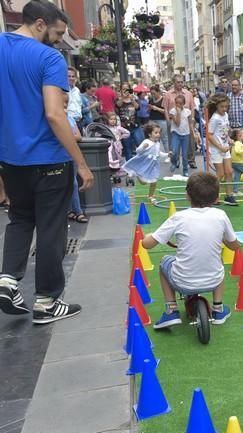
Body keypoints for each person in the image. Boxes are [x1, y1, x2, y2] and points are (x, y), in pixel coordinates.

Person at [0, 0, 93, 323]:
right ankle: (46, 302)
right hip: (48, 158)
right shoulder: (48, 58)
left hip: (11, 158)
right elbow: (55, 114)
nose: (57, 40)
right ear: (40, 24)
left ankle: (8, 280)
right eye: (56, 33)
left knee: (20, 218)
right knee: (52, 228)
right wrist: (80, 162)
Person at [142, 172, 240, 328]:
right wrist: (220, 237)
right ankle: (218, 308)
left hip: (182, 281)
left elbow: (147, 245)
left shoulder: (179, 217)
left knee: (164, 262)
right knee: (218, 260)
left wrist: (147, 236)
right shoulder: (221, 215)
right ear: (216, 198)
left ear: (187, 195)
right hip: (213, 281)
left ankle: (171, 310)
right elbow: (235, 246)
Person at [206, 93, 238, 206]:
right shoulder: (214, 118)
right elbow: (209, 135)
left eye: (226, 106)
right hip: (216, 149)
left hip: (225, 147)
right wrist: (220, 147)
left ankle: (229, 195)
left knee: (229, 171)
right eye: (222, 106)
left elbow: (224, 131)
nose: (224, 109)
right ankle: (212, 196)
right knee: (220, 173)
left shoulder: (225, 115)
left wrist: (229, 139)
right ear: (217, 106)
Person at [123, 122, 164, 203]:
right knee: (143, 183)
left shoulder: (158, 143)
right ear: (149, 134)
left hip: (153, 165)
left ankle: (151, 196)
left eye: (159, 132)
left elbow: (159, 153)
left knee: (154, 181)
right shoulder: (147, 142)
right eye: (156, 133)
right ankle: (137, 173)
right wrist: (143, 147)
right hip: (145, 164)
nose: (158, 134)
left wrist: (167, 155)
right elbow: (138, 151)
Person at [64, 93, 87, 224]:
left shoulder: (69, 117)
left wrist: (63, 136)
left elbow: (78, 136)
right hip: (55, 156)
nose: (64, 105)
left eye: (66, 103)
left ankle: (77, 211)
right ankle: (69, 211)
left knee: (73, 182)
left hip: (69, 154)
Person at [164, 75, 197, 168]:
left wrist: (193, 119)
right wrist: (168, 120)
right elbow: (166, 108)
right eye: (178, 82)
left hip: (187, 120)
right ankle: (176, 160)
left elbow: (192, 107)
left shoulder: (188, 93)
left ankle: (191, 160)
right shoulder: (168, 94)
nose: (180, 84)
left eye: (182, 82)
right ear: (174, 82)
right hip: (173, 121)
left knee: (190, 141)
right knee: (174, 142)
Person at [169, 94, 199, 178]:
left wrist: (194, 133)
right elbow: (177, 123)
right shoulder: (172, 111)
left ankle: (185, 170)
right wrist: (178, 113)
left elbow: (190, 123)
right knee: (174, 151)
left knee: (185, 154)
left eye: (180, 103)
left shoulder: (187, 111)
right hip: (176, 133)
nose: (178, 105)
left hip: (186, 134)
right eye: (177, 103)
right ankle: (174, 162)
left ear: (183, 104)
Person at [148, 84, 169, 156]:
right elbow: (148, 110)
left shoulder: (163, 99)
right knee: (153, 139)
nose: (153, 95)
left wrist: (156, 108)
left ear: (158, 92)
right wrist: (149, 108)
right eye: (151, 93)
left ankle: (168, 154)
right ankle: (155, 154)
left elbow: (165, 111)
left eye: (154, 93)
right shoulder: (150, 99)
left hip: (161, 120)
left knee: (164, 138)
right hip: (152, 120)